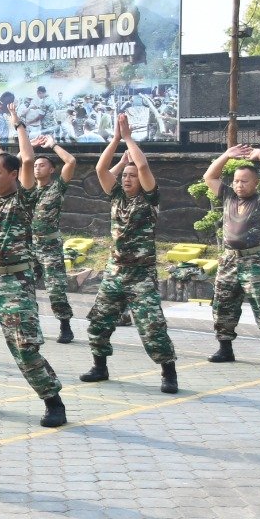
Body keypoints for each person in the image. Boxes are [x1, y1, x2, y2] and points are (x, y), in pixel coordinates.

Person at [0, 101, 67, 428]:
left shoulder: (24, 197)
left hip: (16, 285)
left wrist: (18, 124)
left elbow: (29, 158)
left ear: (13, 174)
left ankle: (53, 401)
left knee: (25, 349)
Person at [81, 113, 179, 393]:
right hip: (114, 272)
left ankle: (168, 372)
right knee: (99, 322)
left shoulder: (150, 199)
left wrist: (128, 139)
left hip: (140, 275)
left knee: (152, 327)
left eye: (131, 176)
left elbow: (144, 165)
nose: (126, 179)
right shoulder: (116, 196)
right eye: (124, 175)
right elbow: (101, 170)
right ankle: (100, 367)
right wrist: (115, 143)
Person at [203, 143, 260, 368]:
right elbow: (209, 177)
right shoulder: (228, 196)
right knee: (222, 304)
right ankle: (225, 348)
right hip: (230, 260)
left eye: (244, 181)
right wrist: (226, 155)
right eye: (236, 181)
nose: (239, 185)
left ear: (255, 183)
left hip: (255, 261)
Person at [30, 135, 78, 342]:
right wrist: (28, 148)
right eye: (35, 165)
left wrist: (53, 145)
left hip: (49, 246)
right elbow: (12, 165)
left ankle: (65, 325)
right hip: (28, 245)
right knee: (24, 288)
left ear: (51, 170)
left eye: (42, 165)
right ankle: (30, 326)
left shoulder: (57, 187)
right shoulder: (26, 189)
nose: (37, 168)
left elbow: (71, 162)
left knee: (55, 288)